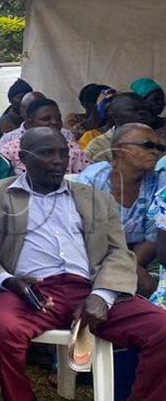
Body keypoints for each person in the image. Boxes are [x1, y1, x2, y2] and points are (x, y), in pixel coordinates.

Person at [0, 127, 166, 401]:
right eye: (46, 154)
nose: (58, 161)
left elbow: (117, 253)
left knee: (162, 330)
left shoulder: (93, 198)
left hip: (92, 288)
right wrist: (8, 281)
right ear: (24, 159)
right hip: (32, 289)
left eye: (62, 153)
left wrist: (103, 295)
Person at [77, 123, 166, 297]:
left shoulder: (158, 182)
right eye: (147, 145)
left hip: (137, 257)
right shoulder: (93, 179)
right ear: (119, 149)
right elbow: (84, 234)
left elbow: (153, 239)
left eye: (159, 147)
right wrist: (120, 269)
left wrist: (127, 267)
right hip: (94, 255)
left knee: (144, 284)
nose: (155, 151)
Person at [0, 97, 88, 175]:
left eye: (58, 118)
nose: (54, 122)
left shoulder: (73, 148)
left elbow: (82, 182)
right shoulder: (11, 150)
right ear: (29, 123)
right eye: (46, 119)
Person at [85, 93, 155, 163]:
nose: (143, 113)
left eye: (145, 109)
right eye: (134, 110)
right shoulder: (99, 146)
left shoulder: (158, 143)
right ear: (116, 117)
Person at [0, 78, 32, 146]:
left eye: (27, 97)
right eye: (20, 97)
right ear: (10, 99)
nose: (24, 101)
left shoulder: (37, 121)